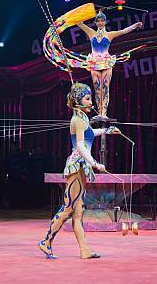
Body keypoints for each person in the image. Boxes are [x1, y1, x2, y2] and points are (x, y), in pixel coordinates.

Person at [38, 82, 120, 259]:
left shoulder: (83, 119)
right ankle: (46, 242)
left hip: (82, 167)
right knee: (69, 208)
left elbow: (90, 133)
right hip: (77, 167)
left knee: (78, 211)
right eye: (88, 98)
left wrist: (107, 130)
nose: (91, 102)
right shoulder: (76, 120)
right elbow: (81, 146)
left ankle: (84, 250)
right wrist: (95, 163)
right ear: (77, 101)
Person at [76, 11, 143, 120]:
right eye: (98, 21)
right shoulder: (91, 32)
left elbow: (123, 31)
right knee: (98, 88)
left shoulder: (109, 34)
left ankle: (104, 113)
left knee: (105, 87)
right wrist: (85, 12)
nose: (100, 23)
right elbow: (79, 23)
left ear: (105, 22)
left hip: (106, 63)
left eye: (102, 21)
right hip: (95, 63)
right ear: (95, 22)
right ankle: (99, 113)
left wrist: (135, 25)